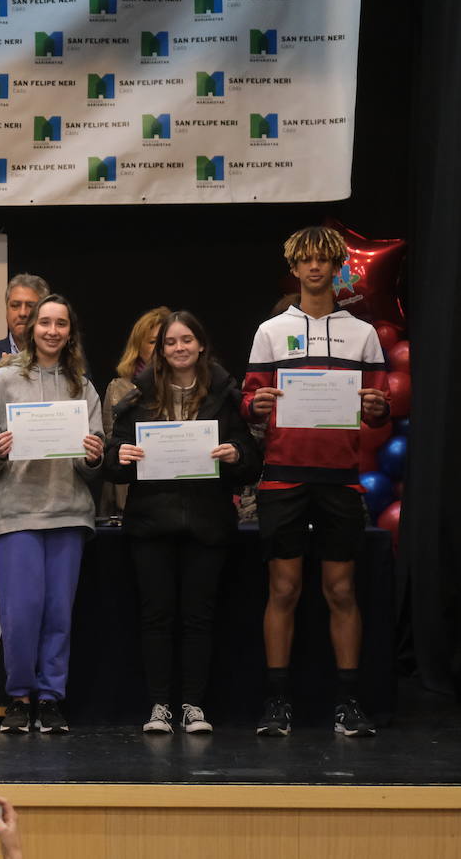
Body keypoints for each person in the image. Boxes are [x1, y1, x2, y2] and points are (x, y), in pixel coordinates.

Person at [242, 226, 390, 737]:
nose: (314, 268)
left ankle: (348, 703)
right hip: (283, 477)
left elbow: (377, 407)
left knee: (342, 589)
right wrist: (254, 404)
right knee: (282, 588)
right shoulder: (269, 330)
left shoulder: (363, 334)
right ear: (295, 265)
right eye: (305, 259)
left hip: (339, 479)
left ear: (336, 267)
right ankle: (277, 703)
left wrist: (378, 407)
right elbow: (250, 401)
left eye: (324, 260)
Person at [104, 311, 262, 734]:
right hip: (151, 523)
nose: (178, 348)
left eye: (186, 340)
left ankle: (193, 705)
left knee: (198, 618)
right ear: (159, 350)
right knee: (156, 617)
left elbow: (251, 461)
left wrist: (235, 455)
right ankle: (159, 706)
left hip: (207, 523)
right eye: (170, 342)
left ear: (201, 345)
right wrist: (119, 457)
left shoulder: (226, 395)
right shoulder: (137, 398)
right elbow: (112, 461)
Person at [0, 294, 102, 734]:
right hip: (15, 512)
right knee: (21, 613)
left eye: (61, 323)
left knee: (59, 613)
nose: (52, 331)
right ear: (31, 327)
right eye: (45, 322)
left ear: (70, 331)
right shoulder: (1, 381)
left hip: (68, 512)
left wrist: (94, 456)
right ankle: (20, 698)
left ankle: (51, 698)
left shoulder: (83, 385)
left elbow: (94, 453)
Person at [98, 306, 172, 520]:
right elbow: (109, 447)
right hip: (131, 498)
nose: (158, 347)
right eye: (151, 341)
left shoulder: (190, 387)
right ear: (138, 347)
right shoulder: (118, 388)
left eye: (163, 341)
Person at [0, 273, 50, 383]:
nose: (22, 313)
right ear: (7, 310)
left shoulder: (60, 357)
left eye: (30, 306)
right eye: (15, 305)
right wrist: (0, 376)